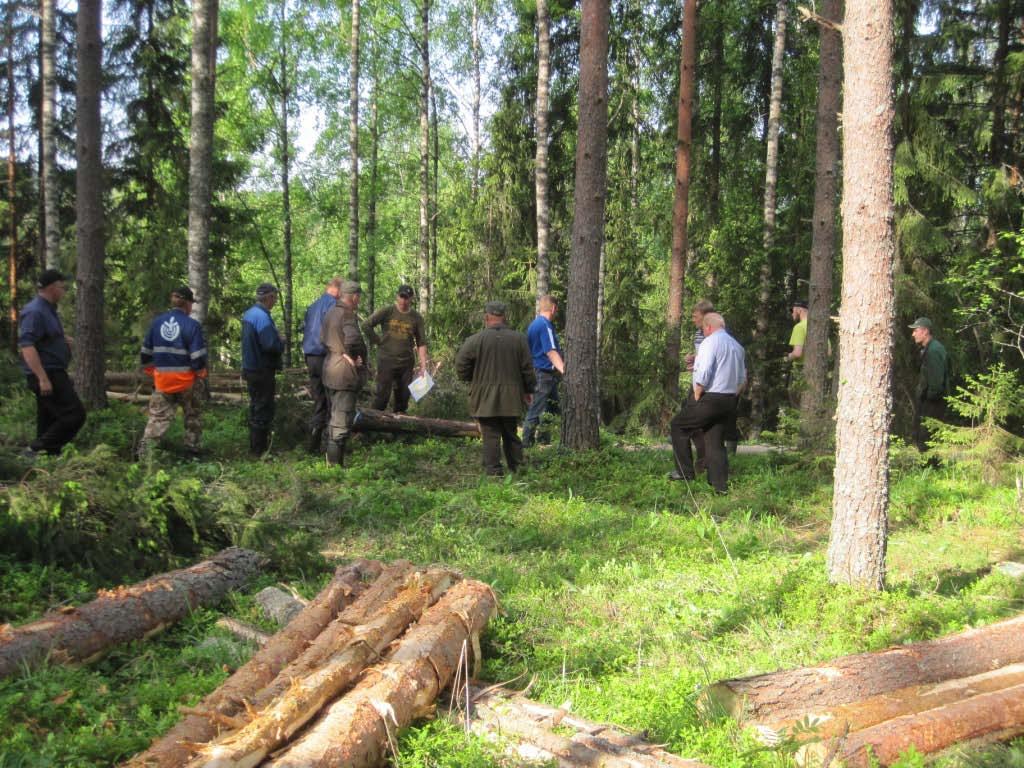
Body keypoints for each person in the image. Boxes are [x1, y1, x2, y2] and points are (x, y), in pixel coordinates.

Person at [669, 313, 746, 494]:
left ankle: (684, 472)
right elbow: (743, 378)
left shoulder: (709, 343)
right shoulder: (737, 346)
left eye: (703, 328)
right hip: (729, 399)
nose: (703, 332)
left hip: (711, 397)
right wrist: (732, 395)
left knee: (678, 426)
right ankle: (719, 485)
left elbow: (704, 371)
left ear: (709, 327)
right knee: (714, 440)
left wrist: (697, 393)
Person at [456, 301, 536, 476]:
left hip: (484, 397)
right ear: (504, 317)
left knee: (490, 435)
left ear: (486, 317)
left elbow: (461, 364)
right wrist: (528, 390)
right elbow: (527, 369)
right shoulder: (519, 339)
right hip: (512, 397)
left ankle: (493, 471)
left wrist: (472, 379)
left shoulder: (475, 340)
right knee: (511, 433)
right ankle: (517, 469)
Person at [17, 269, 86, 456]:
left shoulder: (48, 310)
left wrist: (62, 342)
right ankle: (34, 449)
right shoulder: (35, 311)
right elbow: (27, 346)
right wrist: (43, 378)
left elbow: (44, 340)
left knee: (49, 419)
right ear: (52, 288)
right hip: (48, 374)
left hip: (54, 371)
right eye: (63, 288)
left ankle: (45, 461)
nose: (64, 292)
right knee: (74, 415)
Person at [138, 286, 208, 457]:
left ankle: (145, 454)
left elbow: (145, 353)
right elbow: (198, 356)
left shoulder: (157, 323)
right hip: (187, 382)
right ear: (187, 304)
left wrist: (151, 370)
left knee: (157, 418)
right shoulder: (192, 325)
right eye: (191, 303)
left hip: (163, 381)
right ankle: (192, 451)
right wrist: (201, 373)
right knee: (193, 417)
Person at [321, 281, 369, 467]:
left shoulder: (330, 313)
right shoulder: (347, 315)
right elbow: (353, 340)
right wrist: (354, 358)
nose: (359, 300)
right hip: (343, 374)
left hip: (329, 369)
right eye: (358, 297)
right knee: (341, 422)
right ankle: (334, 467)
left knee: (333, 416)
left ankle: (330, 462)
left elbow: (322, 338)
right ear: (354, 296)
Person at [363, 284, 429, 414]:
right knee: (381, 396)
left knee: (403, 398)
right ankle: (373, 425)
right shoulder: (387, 311)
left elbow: (421, 342)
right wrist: (377, 340)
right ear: (397, 296)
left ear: (411, 299)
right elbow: (366, 325)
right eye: (401, 297)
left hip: (406, 363)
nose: (403, 300)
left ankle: (399, 427)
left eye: (407, 298)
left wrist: (423, 365)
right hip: (386, 360)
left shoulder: (416, 318)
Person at [241, 283, 284, 456]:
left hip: (251, 367)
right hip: (262, 369)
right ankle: (259, 450)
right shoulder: (262, 317)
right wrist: (281, 341)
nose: (275, 300)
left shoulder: (249, 314)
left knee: (256, 406)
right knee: (263, 407)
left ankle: (256, 446)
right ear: (268, 297)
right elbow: (270, 345)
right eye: (274, 297)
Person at [302, 277, 343, 452]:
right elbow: (334, 333)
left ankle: (312, 444)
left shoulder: (312, 306)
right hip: (325, 357)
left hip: (310, 357)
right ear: (338, 290)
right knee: (332, 401)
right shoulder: (333, 306)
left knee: (319, 400)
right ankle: (330, 446)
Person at [522, 294, 564, 448]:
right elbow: (551, 351)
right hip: (543, 374)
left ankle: (543, 442)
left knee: (552, 410)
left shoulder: (534, 325)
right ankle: (526, 445)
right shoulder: (545, 325)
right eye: (556, 310)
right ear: (553, 308)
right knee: (537, 410)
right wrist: (564, 370)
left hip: (541, 374)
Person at [910, 317, 950, 452]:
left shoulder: (934, 351)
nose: (913, 334)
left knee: (927, 438)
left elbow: (937, 383)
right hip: (929, 401)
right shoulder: (929, 348)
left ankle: (929, 469)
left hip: (933, 403)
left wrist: (928, 400)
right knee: (924, 437)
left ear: (925, 331)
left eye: (916, 330)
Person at [785, 300, 808, 407]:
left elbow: (797, 353)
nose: (792, 313)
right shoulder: (819, 327)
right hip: (818, 370)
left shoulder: (799, 327)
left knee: (797, 404)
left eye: (792, 310)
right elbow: (829, 353)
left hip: (800, 370)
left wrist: (788, 357)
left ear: (799, 310)